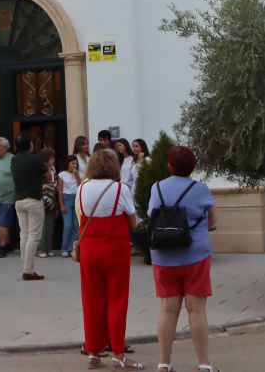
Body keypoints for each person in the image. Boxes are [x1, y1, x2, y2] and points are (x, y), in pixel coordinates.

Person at [148, 146, 218, 372]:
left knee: (168, 309)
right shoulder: (201, 189)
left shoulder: (156, 188)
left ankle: (164, 363)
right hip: (194, 255)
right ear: (192, 167)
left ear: (169, 166)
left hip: (163, 256)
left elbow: (151, 214)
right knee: (196, 310)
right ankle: (204, 364)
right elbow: (213, 222)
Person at [78, 149, 142, 370]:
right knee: (117, 300)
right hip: (115, 249)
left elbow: (81, 216)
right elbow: (133, 222)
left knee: (91, 300)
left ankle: (93, 352)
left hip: (89, 249)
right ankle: (118, 354)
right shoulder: (119, 189)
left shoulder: (82, 188)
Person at [11, 132, 46, 280]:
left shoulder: (14, 160)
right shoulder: (35, 159)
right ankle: (28, 269)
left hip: (19, 200)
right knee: (34, 235)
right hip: (34, 199)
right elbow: (47, 176)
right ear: (29, 145)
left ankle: (26, 266)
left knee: (24, 234)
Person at [58, 155, 81, 257]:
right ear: (68, 164)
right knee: (68, 225)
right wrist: (61, 204)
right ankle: (65, 248)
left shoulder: (78, 174)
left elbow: (80, 186)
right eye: (72, 163)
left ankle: (73, 248)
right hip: (66, 199)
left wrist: (76, 175)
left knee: (76, 225)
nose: (74, 165)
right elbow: (60, 190)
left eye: (76, 163)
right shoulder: (62, 174)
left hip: (76, 199)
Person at [38, 148, 58, 259]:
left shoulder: (54, 169)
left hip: (51, 199)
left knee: (50, 225)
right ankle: (41, 249)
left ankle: (49, 248)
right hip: (42, 198)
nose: (53, 160)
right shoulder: (41, 169)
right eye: (51, 158)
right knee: (42, 226)